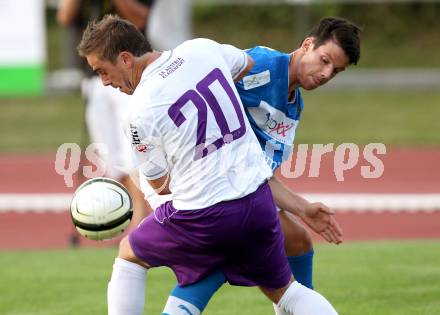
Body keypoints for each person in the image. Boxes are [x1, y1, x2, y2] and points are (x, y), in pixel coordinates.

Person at [78, 14, 340, 315]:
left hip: (204, 215)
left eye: (103, 71)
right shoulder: (199, 49)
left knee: (128, 254)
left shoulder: (138, 112)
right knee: (286, 291)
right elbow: (246, 64)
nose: (105, 82)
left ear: (125, 58)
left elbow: (159, 185)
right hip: (258, 202)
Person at [57, 0, 154, 228]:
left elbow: (140, 18)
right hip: (93, 77)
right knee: (108, 153)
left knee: (131, 146)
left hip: (126, 73)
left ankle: (141, 218)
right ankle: (128, 212)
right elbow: (65, 16)